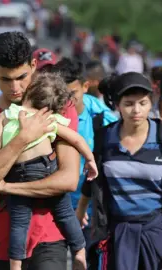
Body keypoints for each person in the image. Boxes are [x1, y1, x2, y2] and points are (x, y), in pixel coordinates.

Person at [0, 31, 83, 270]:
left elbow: (68, 180)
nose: (15, 87)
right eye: (5, 79)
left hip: (50, 236)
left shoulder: (58, 107)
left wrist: (8, 187)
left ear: (34, 65)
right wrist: (23, 138)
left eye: (22, 77)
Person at [80, 72, 162, 269]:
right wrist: (81, 209)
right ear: (117, 106)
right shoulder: (105, 139)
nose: (136, 110)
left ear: (150, 103)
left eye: (142, 103)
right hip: (116, 232)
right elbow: (92, 177)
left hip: (157, 231)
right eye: (128, 104)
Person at [0, 72, 96, 270]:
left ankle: (15, 265)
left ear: (28, 92)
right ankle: (79, 250)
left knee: (18, 223)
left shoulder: (7, 115)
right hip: (46, 169)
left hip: (18, 174)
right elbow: (76, 139)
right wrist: (90, 159)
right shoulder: (48, 119)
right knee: (65, 213)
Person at [50, 58, 118, 255]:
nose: (66, 101)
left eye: (72, 94)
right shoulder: (42, 114)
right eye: (59, 94)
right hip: (52, 209)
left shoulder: (104, 119)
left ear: (85, 86)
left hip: (90, 212)